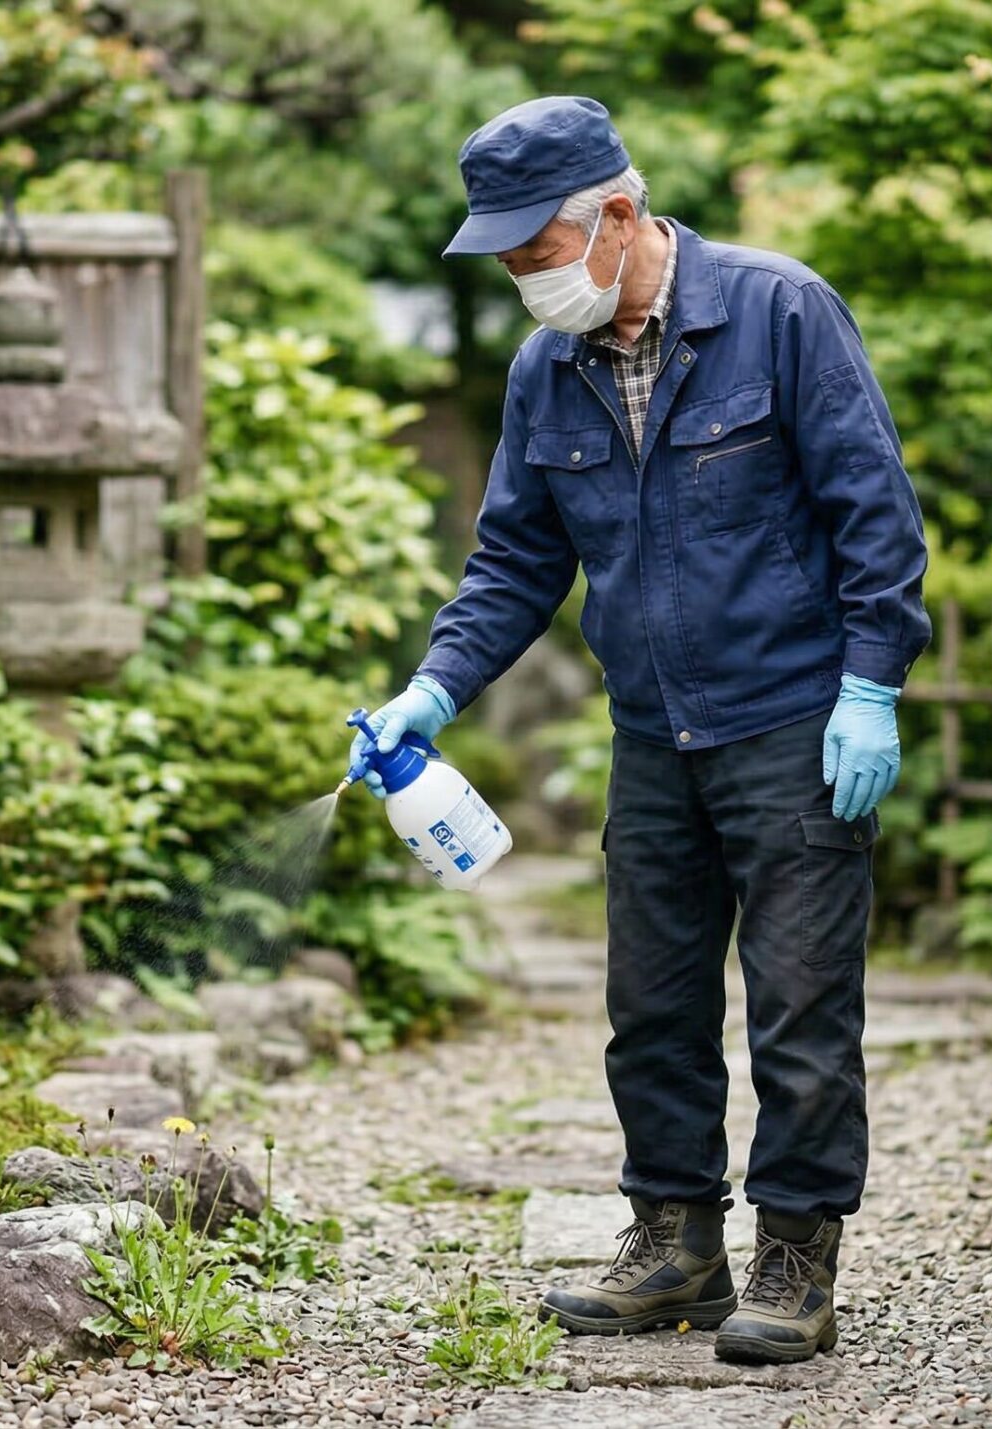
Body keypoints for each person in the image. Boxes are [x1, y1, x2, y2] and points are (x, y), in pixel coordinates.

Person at [345, 96, 931, 1366]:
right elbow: (512, 563)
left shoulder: (779, 314)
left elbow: (874, 518)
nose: (520, 279)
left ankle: (794, 1256)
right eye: (501, 260)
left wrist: (872, 683)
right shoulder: (543, 369)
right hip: (653, 731)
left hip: (792, 719)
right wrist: (432, 690)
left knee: (798, 1001)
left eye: (533, 251)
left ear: (617, 214)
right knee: (652, 1004)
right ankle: (675, 1244)